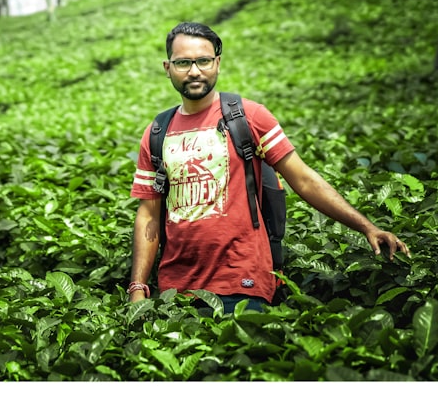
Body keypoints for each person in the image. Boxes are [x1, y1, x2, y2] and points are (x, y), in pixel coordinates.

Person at [128, 21, 410, 313]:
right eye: (183, 63)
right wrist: (138, 287)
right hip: (176, 292)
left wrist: (367, 228)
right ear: (168, 67)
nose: (195, 71)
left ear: (217, 63)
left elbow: (303, 179)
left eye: (203, 61)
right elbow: (149, 214)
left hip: (242, 282)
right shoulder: (157, 132)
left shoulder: (247, 116)